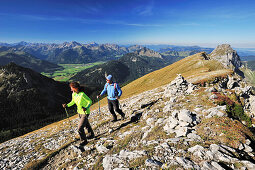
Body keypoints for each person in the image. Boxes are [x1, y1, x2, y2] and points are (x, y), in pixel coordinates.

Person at [62, 82, 95, 146]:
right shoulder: (73, 94)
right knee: (86, 124)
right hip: (79, 112)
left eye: (71, 88)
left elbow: (90, 101)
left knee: (80, 128)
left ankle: (84, 140)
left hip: (85, 112)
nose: (71, 90)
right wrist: (67, 105)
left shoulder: (82, 94)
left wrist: (86, 107)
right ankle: (91, 135)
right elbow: (73, 101)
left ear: (75, 88)